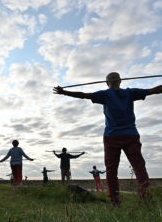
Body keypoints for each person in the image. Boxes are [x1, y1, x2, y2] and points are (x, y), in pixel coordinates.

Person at [53, 72, 162, 205]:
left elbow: (83, 95)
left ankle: (115, 201)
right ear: (120, 81)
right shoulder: (130, 93)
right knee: (139, 167)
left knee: (111, 170)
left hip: (112, 136)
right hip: (130, 135)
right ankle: (146, 199)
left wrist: (64, 92)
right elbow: (154, 90)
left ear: (107, 83)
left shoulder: (105, 94)